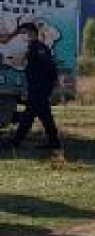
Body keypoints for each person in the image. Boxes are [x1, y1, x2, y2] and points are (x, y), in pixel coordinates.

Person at [0, 22, 61, 151]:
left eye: (22, 33)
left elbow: (50, 65)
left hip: (40, 88)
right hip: (36, 87)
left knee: (44, 116)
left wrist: (54, 82)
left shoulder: (39, 47)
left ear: (30, 33)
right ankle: (16, 142)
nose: (20, 36)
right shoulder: (33, 47)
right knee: (30, 116)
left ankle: (53, 143)